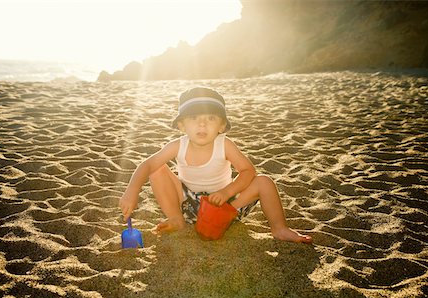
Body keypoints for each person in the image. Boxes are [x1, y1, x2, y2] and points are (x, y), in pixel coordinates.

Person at [119, 87, 312, 243]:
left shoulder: (224, 144)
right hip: (190, 207)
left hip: (227, 207)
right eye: (194, 118)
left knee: (264, 181)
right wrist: (131, 191)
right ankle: (177, 220)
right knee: (157, 168)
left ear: (221, 126)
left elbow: (248, 171)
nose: (202, 124)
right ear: (182, 126)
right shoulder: (178, 145)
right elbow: (147, 164)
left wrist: (227, 192)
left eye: (210, 118)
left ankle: (279, 228)